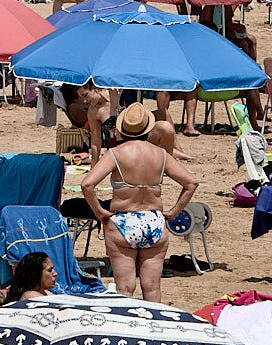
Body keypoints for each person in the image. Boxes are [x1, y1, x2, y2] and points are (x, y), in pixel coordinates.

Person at [79, 102, 195, 302]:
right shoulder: (161, 154)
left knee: (124, 288)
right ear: (148, 129)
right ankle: (154, 322)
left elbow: (87, 184)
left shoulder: (116, 153)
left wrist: (99, 212)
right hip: (153, 220)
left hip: (123, 221)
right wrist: (174, 211)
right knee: (152, 289)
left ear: (122, 129)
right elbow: (191, 183)